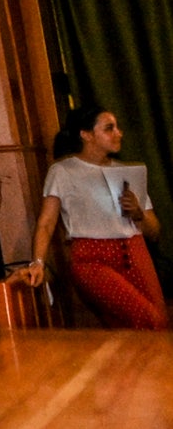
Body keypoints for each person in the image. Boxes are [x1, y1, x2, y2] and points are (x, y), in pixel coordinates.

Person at [20, 107, 166, 329]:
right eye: (109, 128)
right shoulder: (63, 171)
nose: (119, 133)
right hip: (91, 257)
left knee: (158, 323)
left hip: (135, 252)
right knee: (146, 318)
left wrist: (137, 213)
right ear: (86, 134)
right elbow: (46, 222)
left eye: (117, 127)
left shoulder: (127, 172)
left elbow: (154, 230)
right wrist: (38, 261)